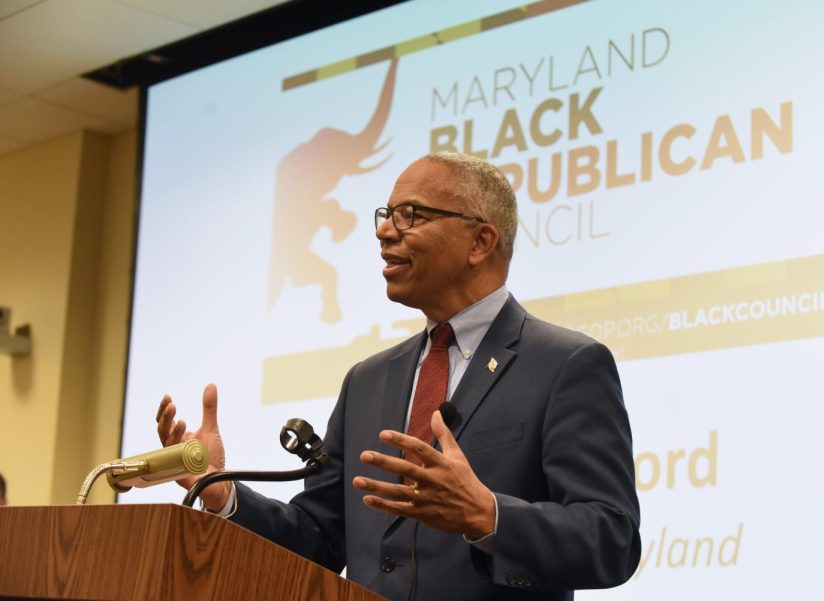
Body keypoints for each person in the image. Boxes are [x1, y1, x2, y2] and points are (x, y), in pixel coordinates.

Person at [156, 153, 640, 600]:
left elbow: (612, 538)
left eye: (411, 215)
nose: (385, 232)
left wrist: (488, 515)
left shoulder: (565, 365)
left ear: (480, 242)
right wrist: (222, 493)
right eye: (385, 215)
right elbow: (319, 537)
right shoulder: (367, 380)